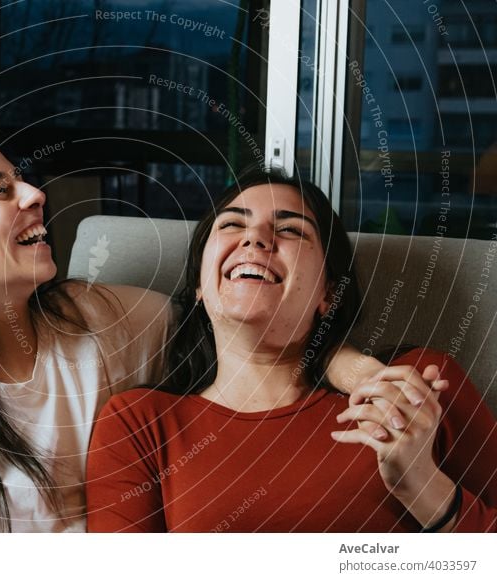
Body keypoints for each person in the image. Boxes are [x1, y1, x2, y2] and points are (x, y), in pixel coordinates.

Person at [0, 134, 434, 532]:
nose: (35, 193)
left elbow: (243, 328)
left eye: (22, 178)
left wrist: (352, 365)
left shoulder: (99, 321)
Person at [86, 169, 497, 533]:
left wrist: (424, 488)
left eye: (291, 230)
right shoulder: (140, 423)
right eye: (232, 224)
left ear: (328, 292)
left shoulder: (415, 384)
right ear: (198, 285)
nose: (255, 237)